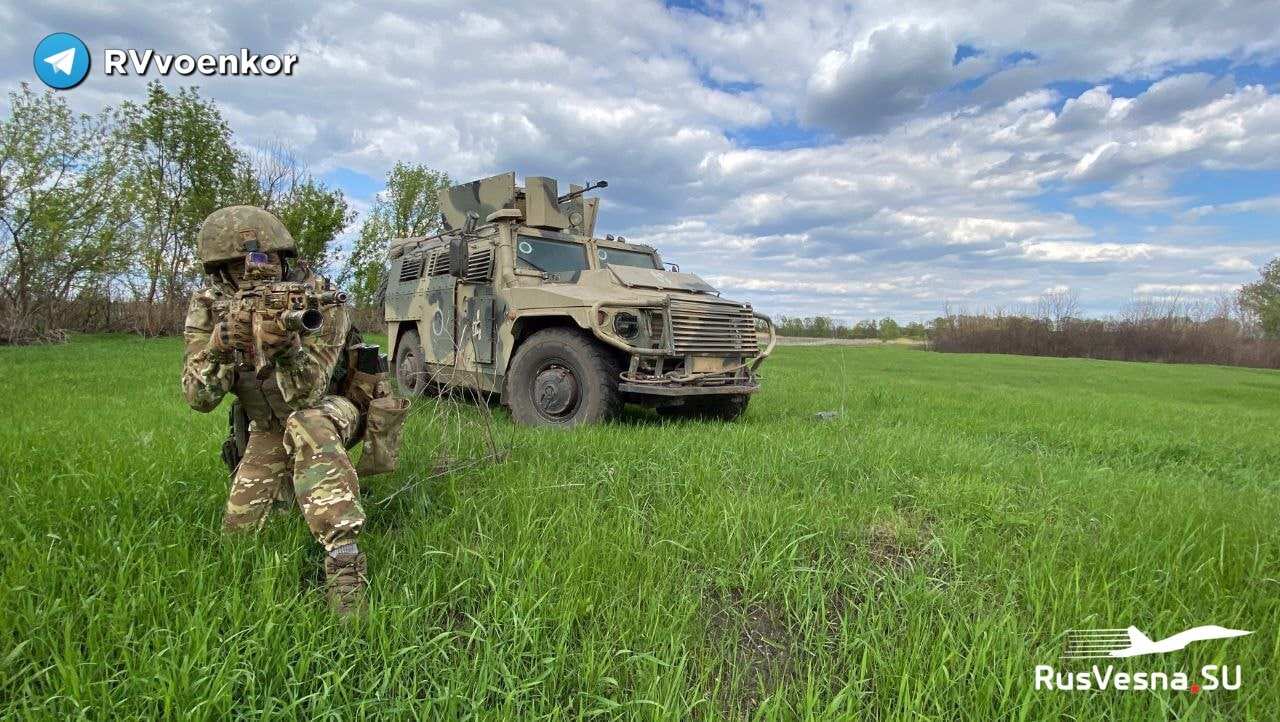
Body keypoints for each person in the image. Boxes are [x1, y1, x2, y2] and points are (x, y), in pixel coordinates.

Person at [181, 205, 367, 614]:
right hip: (267, 424)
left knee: (307, 423)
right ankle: (297, 488)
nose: (256, 273)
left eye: (267, 261)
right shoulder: (209, 306)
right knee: (239, 538)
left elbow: (308, 395)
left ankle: (345, 565)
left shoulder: (317, 298)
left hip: (330, 411)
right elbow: (199, 399)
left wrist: (286, 349)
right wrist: (218, 348)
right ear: (221, 274)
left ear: (284, 258)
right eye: (240, 267)